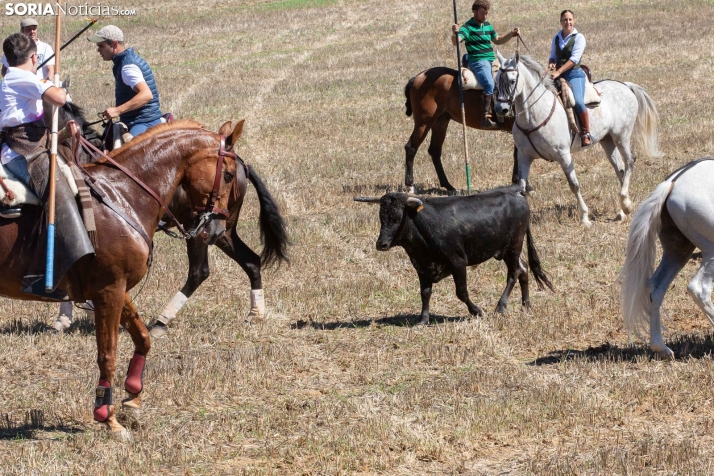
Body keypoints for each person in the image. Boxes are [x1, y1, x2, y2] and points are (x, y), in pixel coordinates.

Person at [0, 32, 94, 297]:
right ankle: (50, 273)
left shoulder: (12, 79)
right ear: (33, 57)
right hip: (24, 152)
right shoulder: (22, 78)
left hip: (30, 145)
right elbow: (60, 99)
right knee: (60, 194)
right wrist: (55, 84)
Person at [451, 0, 520, 129]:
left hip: (492, 60)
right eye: (482, 13)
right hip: (478, 61)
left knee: (504, 79)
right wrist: (455, 33)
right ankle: (485, 117)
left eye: (486, 14)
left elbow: (498, 40)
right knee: (489, 84)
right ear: (475, 11)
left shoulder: (487, 25)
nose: (485, 17)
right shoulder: (467, 27)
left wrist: (511, 34)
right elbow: (456, 42)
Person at [87, 25, 163, 138]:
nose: (98, 50)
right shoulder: (127, 60)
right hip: (140, 119)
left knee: (130, 153)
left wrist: (118, 110)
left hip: (143, 122)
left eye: (101, 46)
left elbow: (146, 95)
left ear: (114, 44)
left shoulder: (127, 67)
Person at [548, 9, 591, 146]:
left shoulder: (579, 38)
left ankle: (585, 133)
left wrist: (558, 71)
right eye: (565, 20)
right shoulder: (556, 37)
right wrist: (551, 63)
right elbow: (553, 56)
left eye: (570, 19)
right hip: (558, 73)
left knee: (578, 101)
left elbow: (574, 59)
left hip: (574, 74)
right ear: (561, 22)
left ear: (574, 20)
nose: (568, 22)